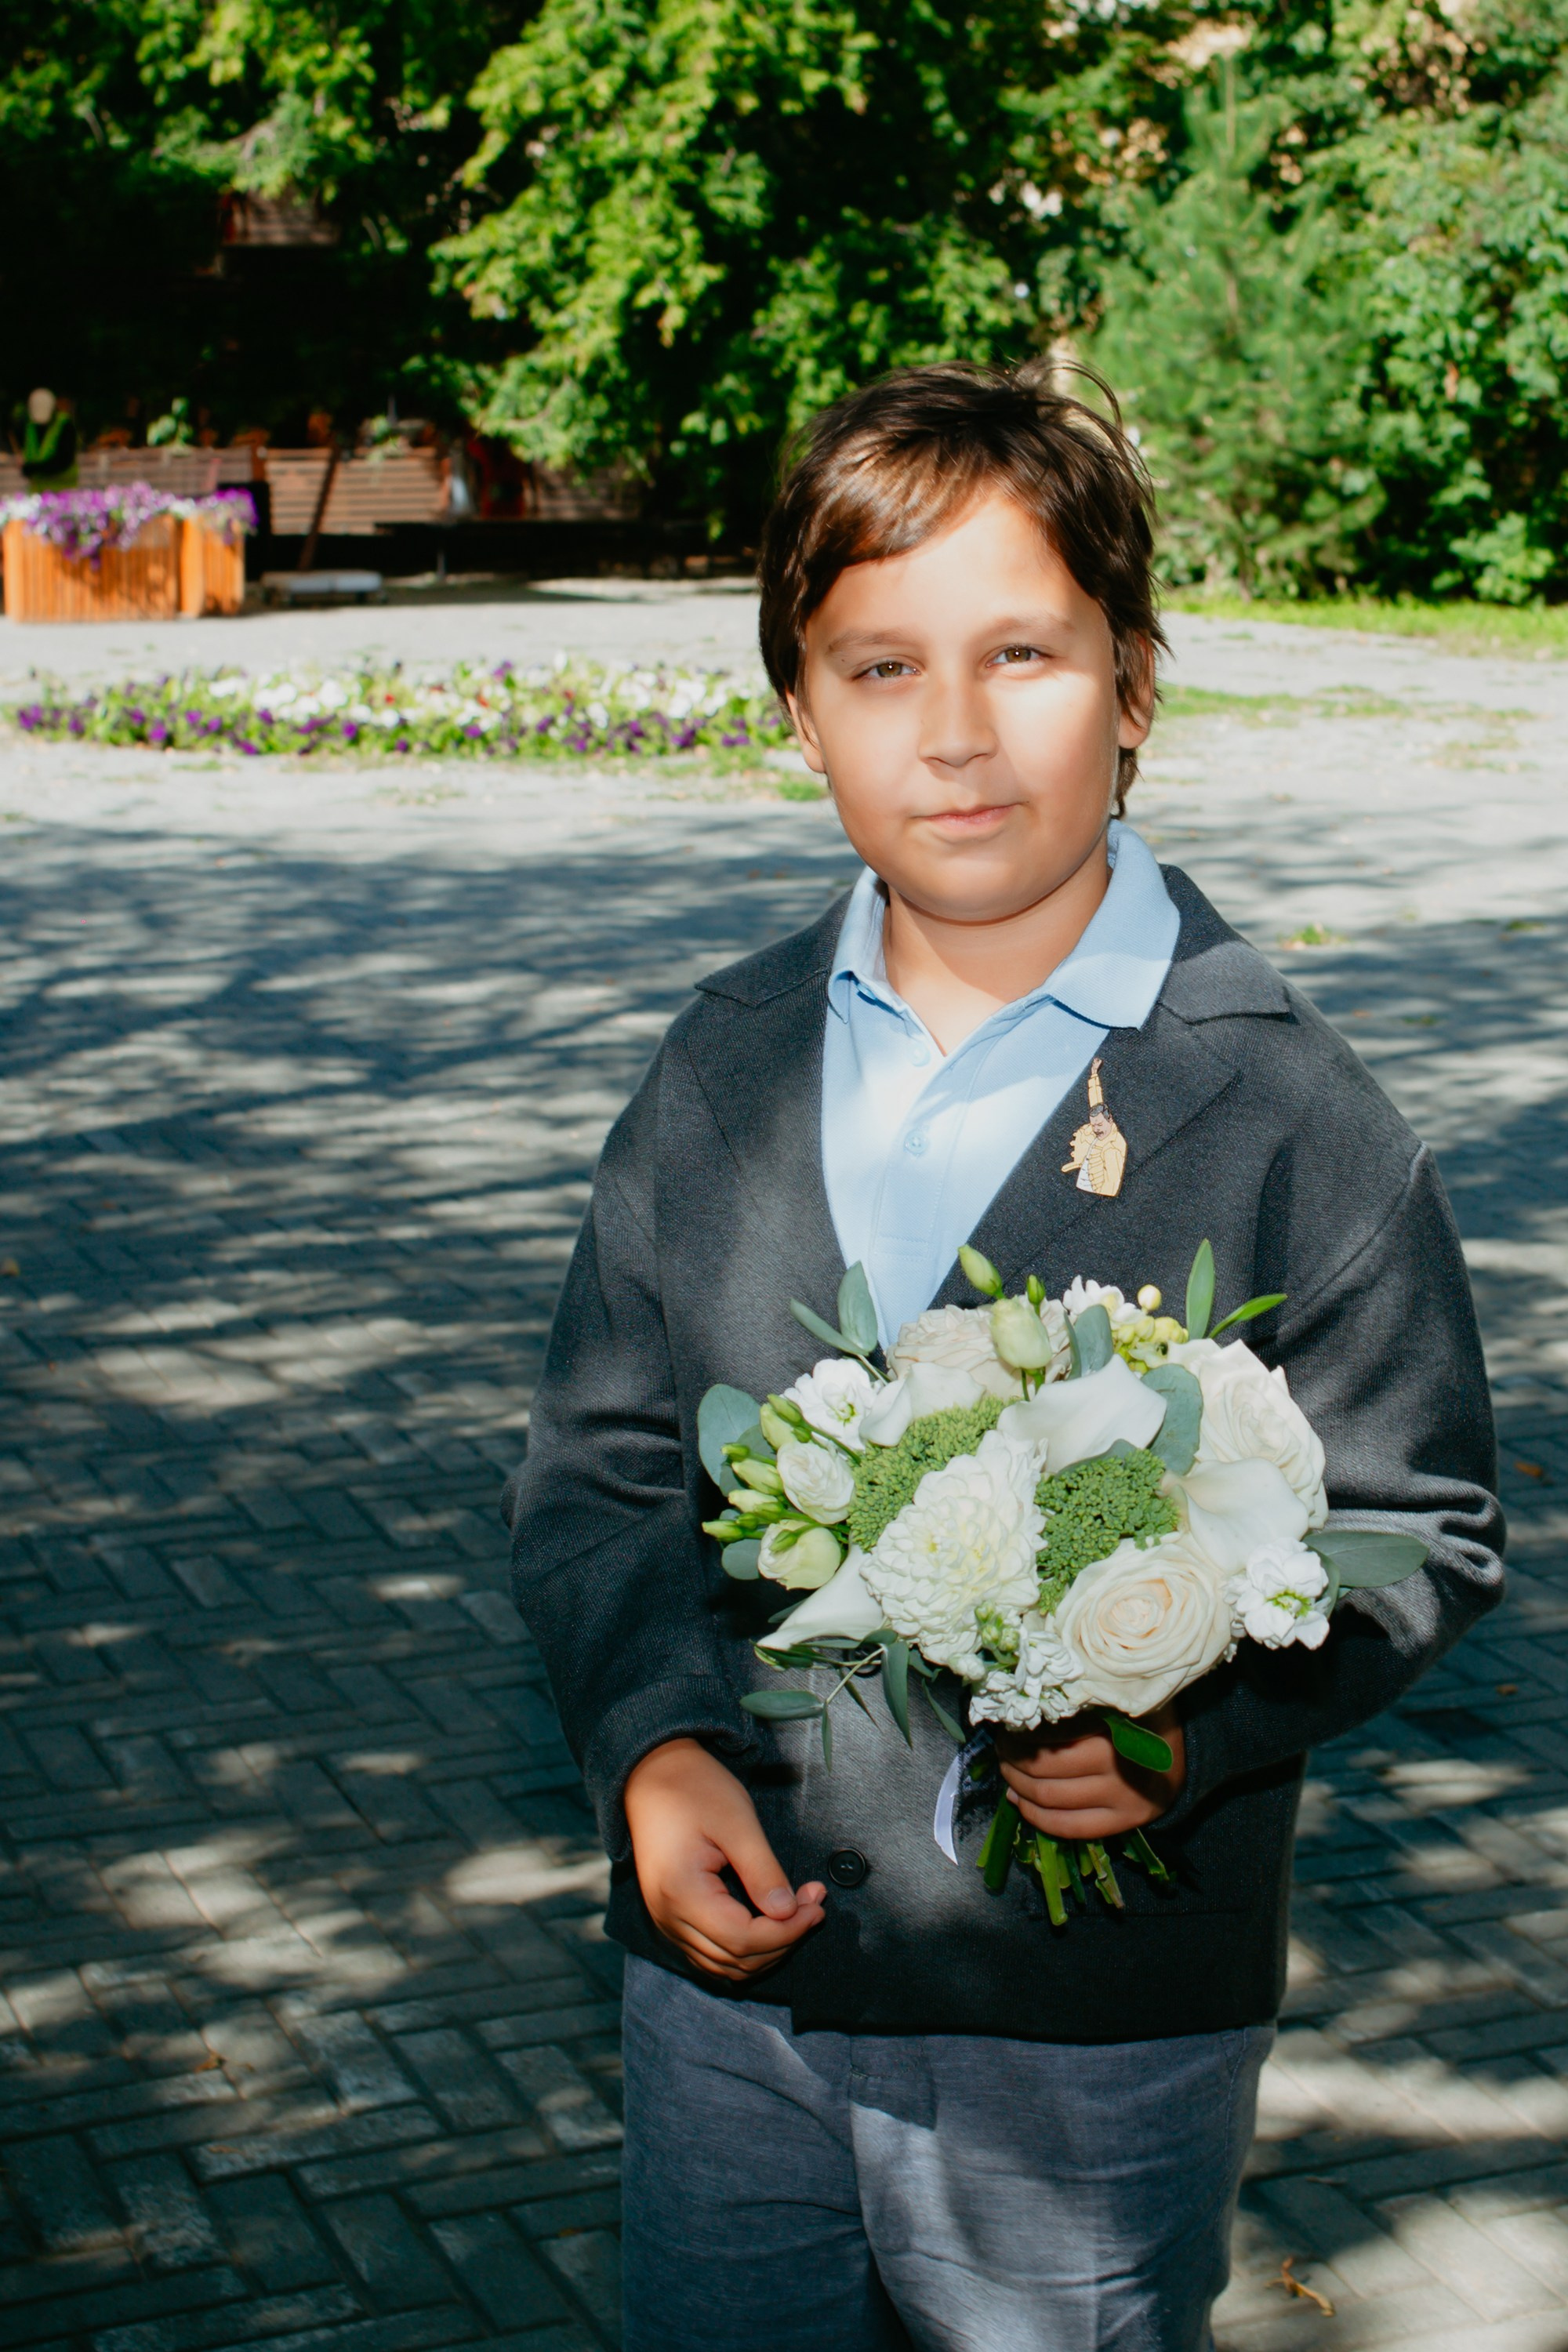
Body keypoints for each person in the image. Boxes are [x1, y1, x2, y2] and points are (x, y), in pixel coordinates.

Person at [506, 361, 1503, 2351]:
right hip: (735, 1983)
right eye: (876, 668)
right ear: (797, 710)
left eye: (1021, 653)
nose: (952, 735)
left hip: (1092, 2027)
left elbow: (1421, 1520)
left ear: (1131, 686)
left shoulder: (1289, 1112)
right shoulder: (718, 1066)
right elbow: (598, 1461)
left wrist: (1189, 1724)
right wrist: (650, 1743)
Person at [18, 389, 78, 488]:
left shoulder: (64, 424)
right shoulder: (30, 427)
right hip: (38, 490)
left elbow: (65, 459)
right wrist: (27, 468)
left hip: (64, 491)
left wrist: (33, 468)